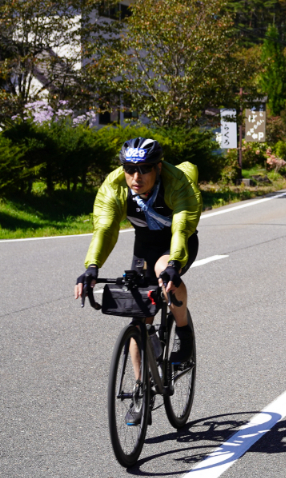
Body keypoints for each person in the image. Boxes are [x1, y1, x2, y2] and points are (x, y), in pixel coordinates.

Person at [74, 137, 202, 415]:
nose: (136, 176)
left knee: (162, 273)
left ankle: (183, 333)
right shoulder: (115, 185)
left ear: (157, 167)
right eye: (130, 169)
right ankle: (140, 390)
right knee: (138, 319)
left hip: (177, 242)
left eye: (144, 169)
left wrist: (175, 264)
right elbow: (105, 227)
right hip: (145, 245)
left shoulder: (177, 182)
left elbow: (181, 227)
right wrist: (92, 267)